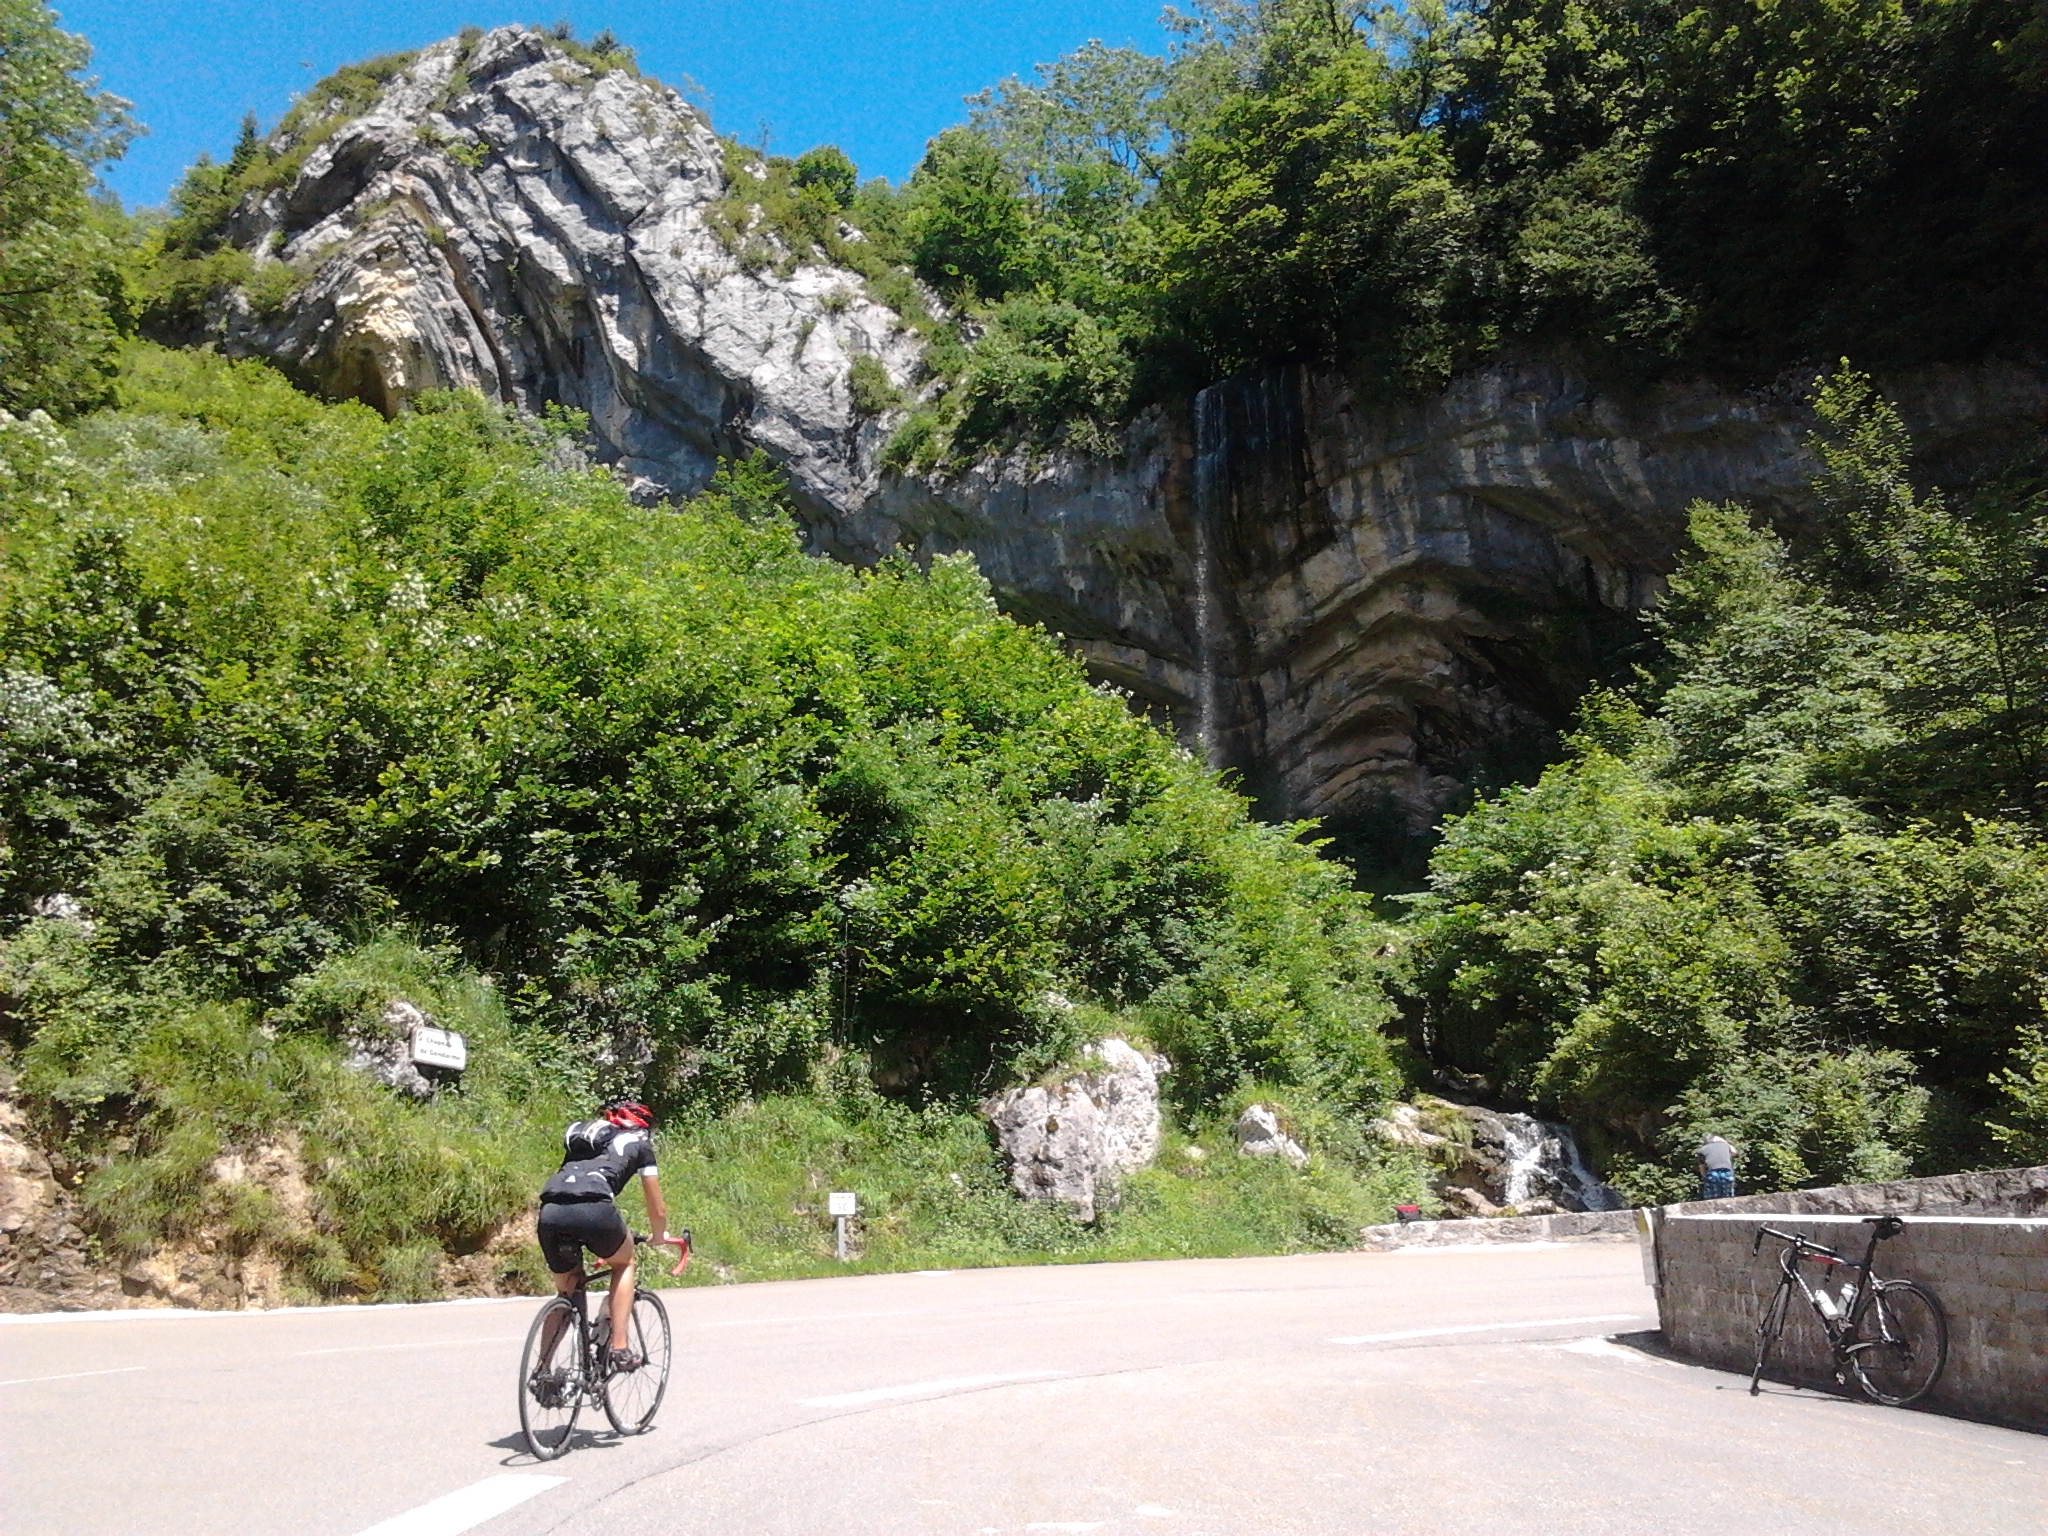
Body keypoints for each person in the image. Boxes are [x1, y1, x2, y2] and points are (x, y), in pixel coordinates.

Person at [535, 1098, 679, 1372]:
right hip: (595, 1211)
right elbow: (656, 1207)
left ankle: (542, 1371)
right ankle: (620, 1348)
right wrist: (659, 1235)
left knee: (566, 1292)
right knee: (624, 1263)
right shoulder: (639, 1145)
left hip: (551, 1212)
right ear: (643, 1128)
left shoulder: (585, 1142)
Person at [1696, 1133, 1738, 1200]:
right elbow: (1734, 1152)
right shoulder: (1725, 1146)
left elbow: (1701, 1166)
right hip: (1726, 1171)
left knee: (1712, 1196)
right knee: (1727, 1195)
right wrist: (1726, 1142)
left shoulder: (1703, 1149)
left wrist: (1704, 1176)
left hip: (1713, 1172)